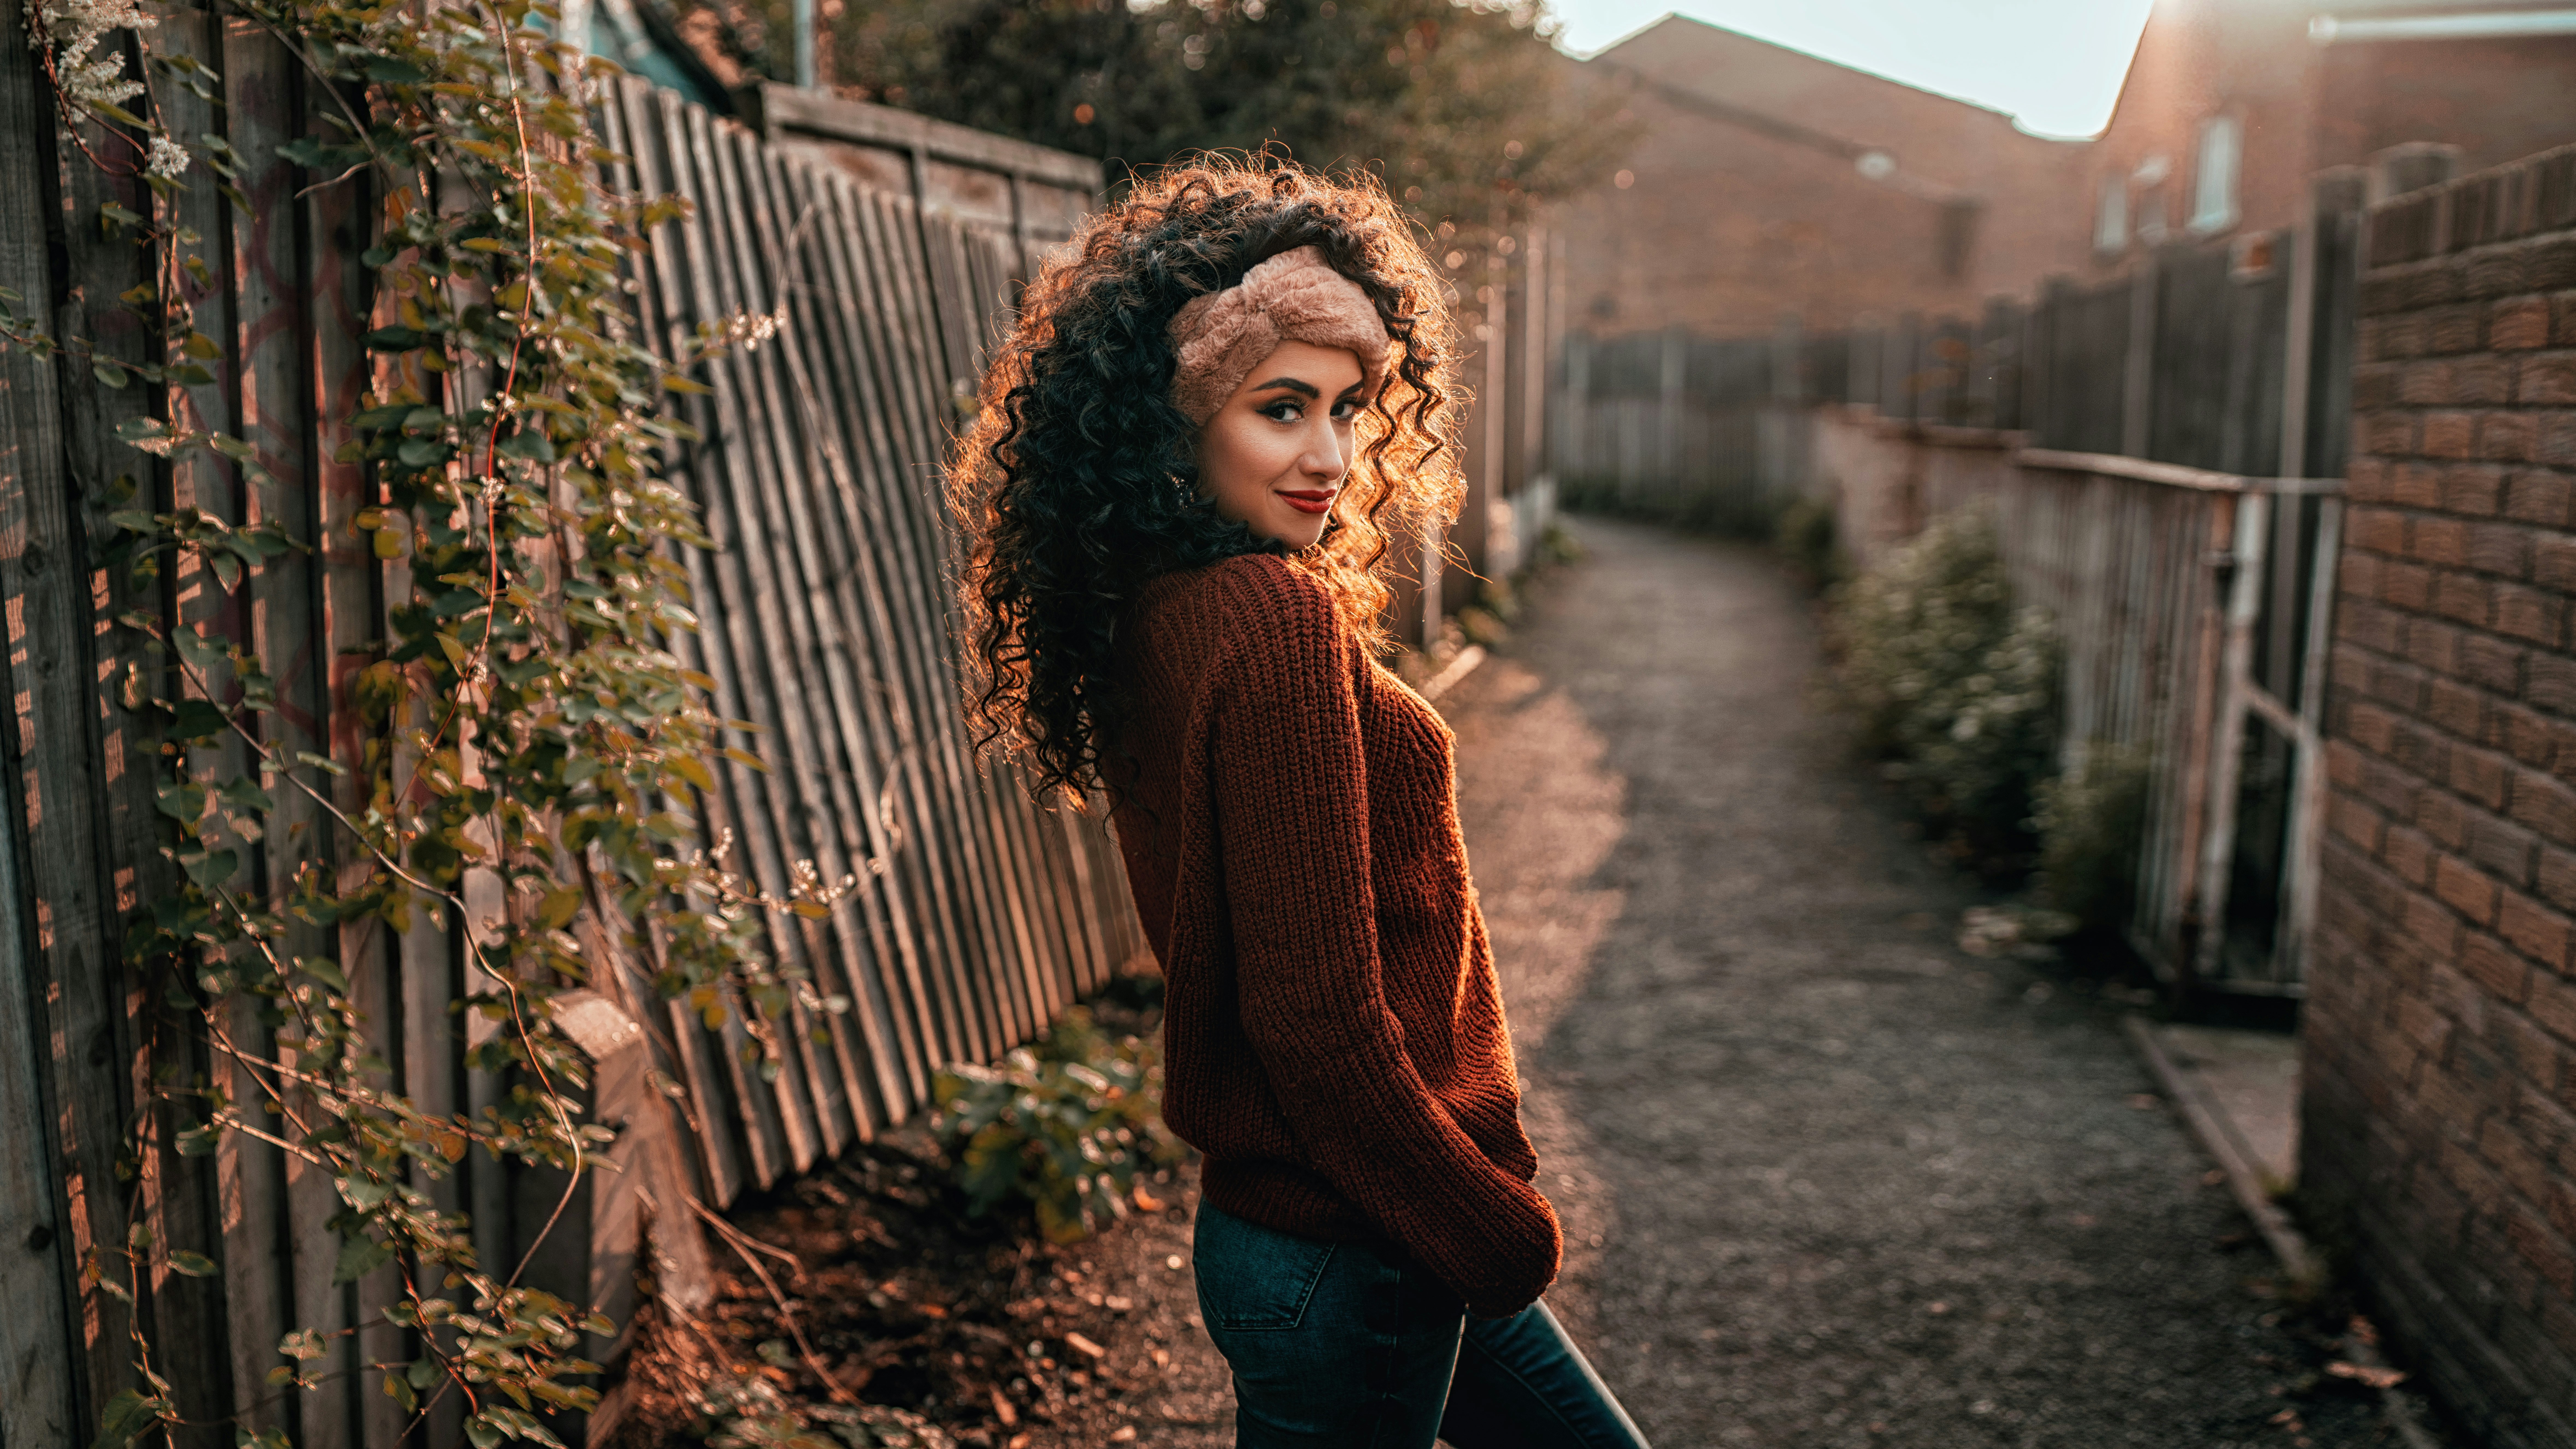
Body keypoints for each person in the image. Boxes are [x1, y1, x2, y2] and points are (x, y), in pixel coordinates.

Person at [950, 158, 1649, 1449]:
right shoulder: (1271, 621)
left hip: (1345, 1216)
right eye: (1282, 409)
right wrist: (1486, 1220)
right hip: (1365, 1233)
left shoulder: (1165, 600)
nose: (1329, 456)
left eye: (1348, 408)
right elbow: (1314, 1018)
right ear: (1180, 414)